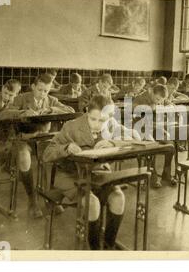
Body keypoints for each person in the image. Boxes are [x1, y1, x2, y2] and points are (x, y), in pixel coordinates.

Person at [43, 95, 140, 250]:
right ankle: (94, 249)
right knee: (92, 203)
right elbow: (47, 154)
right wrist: (66, 148)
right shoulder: (71, 126)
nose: (97, 125)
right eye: (93, 119)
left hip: (99, 174)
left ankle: (108, 245)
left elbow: (135, 137)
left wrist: (112, 142)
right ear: (87, 113)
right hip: (72, 176)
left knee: (118, 198)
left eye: (102, 121)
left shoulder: (111, 125)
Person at [0, 73, 75, 218]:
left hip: (43, 139)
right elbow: (4, 114)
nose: (42, 94)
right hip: (23, 139)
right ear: (33, 87)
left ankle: (49, 197)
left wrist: (51, 110)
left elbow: (70, 111)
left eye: (46, 91)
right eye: (40, 90)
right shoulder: (21, 98)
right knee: (24, 157)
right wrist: (23, 112)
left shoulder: (51, 100)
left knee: (52, 157)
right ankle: (32, 199)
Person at [133, 84, 177, 188]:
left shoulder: (159, 99)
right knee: (152, 146)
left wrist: (168, 105)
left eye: (160, 100)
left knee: (170, 145)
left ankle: (166, 175)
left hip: (154, 128)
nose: (158, 102)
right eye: (157, 99)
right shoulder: (140, 98)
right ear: (152, 92)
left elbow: (169, 105)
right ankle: (152, 177)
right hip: (140, 130)